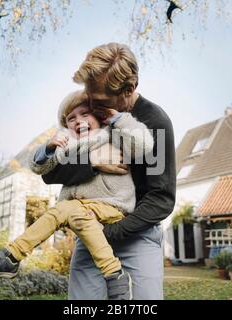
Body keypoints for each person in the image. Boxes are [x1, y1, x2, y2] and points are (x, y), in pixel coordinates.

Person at [0, 90, 154, 300]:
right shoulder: (69, 146)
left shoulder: (113, 134)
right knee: (68, 210)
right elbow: (39, 167)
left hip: (113, 205)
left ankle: (11, 256)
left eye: (85, 114)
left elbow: (145, 144)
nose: (79, 121)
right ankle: (115, 276)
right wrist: (48, 146)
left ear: (99, 115)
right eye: (71, 118)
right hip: (79, 212)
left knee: (65, 209)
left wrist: (118, 118)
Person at [42, 43, 177, 300]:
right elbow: (51, 173)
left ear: (129, 89)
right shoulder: (89, 112)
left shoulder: (155, 123)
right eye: (89, 95)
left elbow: (161, 198)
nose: (91, 105)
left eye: (99, 100)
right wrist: (92, 163)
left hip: (137, 235)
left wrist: (107, 234)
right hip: (90, 230)